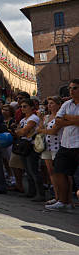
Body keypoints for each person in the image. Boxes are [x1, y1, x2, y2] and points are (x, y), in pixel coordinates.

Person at [46, 79, 79, 211]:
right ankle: (64, 202)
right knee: (59, 171)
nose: (71, 91)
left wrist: (67, 118)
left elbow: (62, 120)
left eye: (75, 88)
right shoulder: (67, 104)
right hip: (66, 144)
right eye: (70, 88)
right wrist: (73, 120)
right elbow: (58, 121)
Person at [15, 98, 44, 201]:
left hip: (31, 146)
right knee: (27, 170)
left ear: (32, 107)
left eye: (25, 106)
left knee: (33, 170)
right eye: (21, 107)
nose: (23, 108)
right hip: (24, 145)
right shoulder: (23, 119)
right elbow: (18, 131)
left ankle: (41, 193)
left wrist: (21, 131)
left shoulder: (34, 118)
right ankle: (31, 192)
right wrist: (20, 131)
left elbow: (23, 132)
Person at [36, 96, 63, 205]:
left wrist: (43, 130)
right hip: (47, 146)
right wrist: (40, 119)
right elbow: (40, 129)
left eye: (52, 103)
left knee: (59, 173)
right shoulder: (46, 116)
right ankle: (56, 196)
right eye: (48, 103)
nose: (49, 105)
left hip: (57, 145)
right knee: (51, 172)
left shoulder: (60, 116)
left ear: (58, 104)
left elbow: (53, 131)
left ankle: (62, 198)